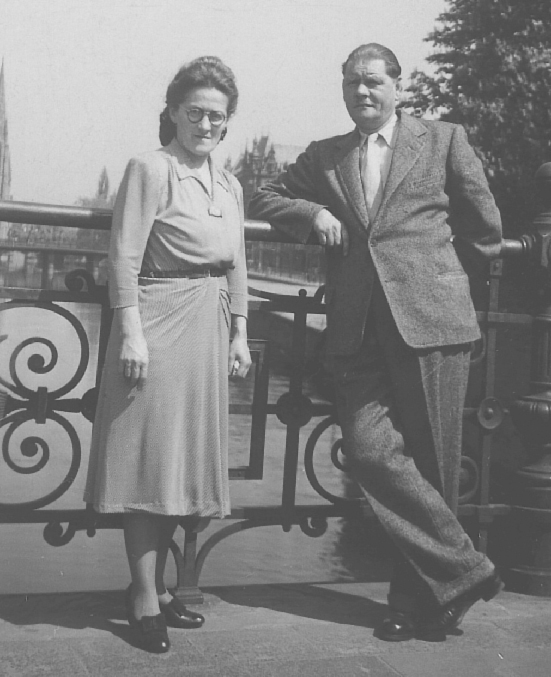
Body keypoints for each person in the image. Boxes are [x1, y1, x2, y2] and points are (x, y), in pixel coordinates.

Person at [248, 43, 503, 642]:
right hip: (357, 328)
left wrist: (441, 281)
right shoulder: (326, 155)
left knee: (433, 466)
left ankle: (415, 603)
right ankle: (467, 572)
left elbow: (485, 227)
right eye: (351, 83)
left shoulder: (443, 140)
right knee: (367, 451)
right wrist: (311, 215)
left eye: (372, 81)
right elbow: (262, 196)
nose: (362, 91)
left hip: (433, 324)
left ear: (397, 86)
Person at [83, 56, 251, 653]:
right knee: (149, 463)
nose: (205, 125)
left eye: (216, 117)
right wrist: (130, 331)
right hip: (157, 323)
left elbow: (237, 262)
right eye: (195, 112)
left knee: (185, 460)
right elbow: (124, 256)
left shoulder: (230, 183)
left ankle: (163, 587)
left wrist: (240, 332)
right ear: (174, 113)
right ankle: (144, 596)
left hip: (208, 328)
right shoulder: (151, 168)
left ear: (226, 124)